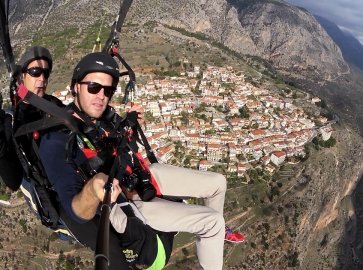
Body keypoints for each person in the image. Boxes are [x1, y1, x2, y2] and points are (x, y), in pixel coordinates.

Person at [39, 52, 243, 269]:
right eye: (93, 87)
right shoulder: (58, 138)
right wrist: (92, 190)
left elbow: (119, 142)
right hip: (133, 203)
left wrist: (129, 123)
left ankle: (215, 239)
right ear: (75, 87)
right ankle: (214, 236)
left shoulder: (101, 117)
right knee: (213, 222)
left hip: (141, 176)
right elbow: (76, 211)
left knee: (218, 183)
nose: (101, 96)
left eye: (108, 90)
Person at [0, 46, 62, 191]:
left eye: (46, 73)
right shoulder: (13, 120)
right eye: (35, 72)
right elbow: (13, 181)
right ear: (22, 77)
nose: (42, 78)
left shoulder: (54, 105)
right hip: (52, 194)